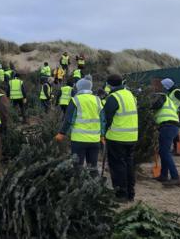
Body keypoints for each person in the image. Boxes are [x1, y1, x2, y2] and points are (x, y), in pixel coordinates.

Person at [56, 78, 104, 175]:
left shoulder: (75, 100)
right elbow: (103, 120)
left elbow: (68, 120)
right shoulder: (98, 100)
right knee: (93, 168)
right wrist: (102, 136)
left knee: (77, 167)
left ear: (78, 88)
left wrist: (61, 133)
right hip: (94, 141)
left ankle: (79, 187)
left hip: (79, 140)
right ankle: (95, 187)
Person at [103, 74, 138, 202]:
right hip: (132, 136)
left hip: (117, 137)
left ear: (109, 84)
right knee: (129, 164)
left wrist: (103, 133)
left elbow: (106, 118)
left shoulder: (113, 97)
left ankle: (120, 194)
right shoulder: (130, 95)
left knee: (118, 166)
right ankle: (130, 193)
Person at [151, 91, 180, 186]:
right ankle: (163, 175)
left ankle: (175, 177)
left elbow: (157, 105)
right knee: (163, 151)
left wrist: (147, 107)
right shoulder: (169, 101)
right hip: (170, 126)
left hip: (168, 126)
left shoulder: (161, 96)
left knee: (164, 152)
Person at [160, 78, 180, 155]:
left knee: (175, 131)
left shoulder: (176, 92)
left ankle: (178, 150)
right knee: (175, 131)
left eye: (164, 85)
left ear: (167, 85)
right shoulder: (171, 92)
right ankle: (178, 150)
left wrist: (178, 110)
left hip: (179, 112)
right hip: (175, 113)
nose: (163, 87)